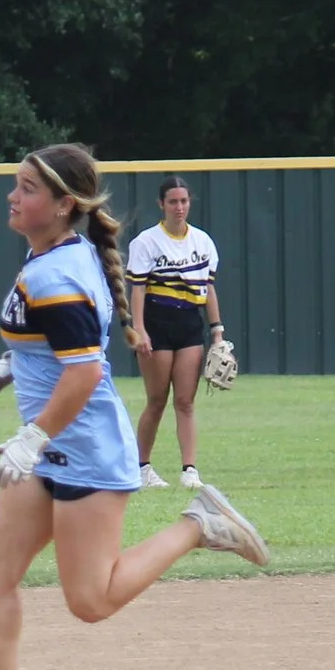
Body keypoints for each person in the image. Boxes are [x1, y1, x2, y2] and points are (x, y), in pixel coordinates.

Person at [0, 145, 269, 670]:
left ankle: (200, 524)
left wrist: (32, 435)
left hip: (84, 446)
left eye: (28, 189)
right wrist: (6, 368)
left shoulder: (58, 271)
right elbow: (63, 345)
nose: (13, 197)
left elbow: (87, 370)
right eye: (16, 185)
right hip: (50, 443)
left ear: (65, 205)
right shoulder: (55, 255)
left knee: (90, 601)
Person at [123, 175, 230, 490]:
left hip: (189, 322)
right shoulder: (147, 241)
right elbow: (138, 289)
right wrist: (139, 330)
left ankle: (189, 470)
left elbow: (207, 288)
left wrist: (218, 331)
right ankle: (142, 468)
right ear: (162, 204)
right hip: (157, 321)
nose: (179, 207)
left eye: (184, 201)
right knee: (156, 400)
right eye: (173, 201)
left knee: (185, 401)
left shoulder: (202, 242)